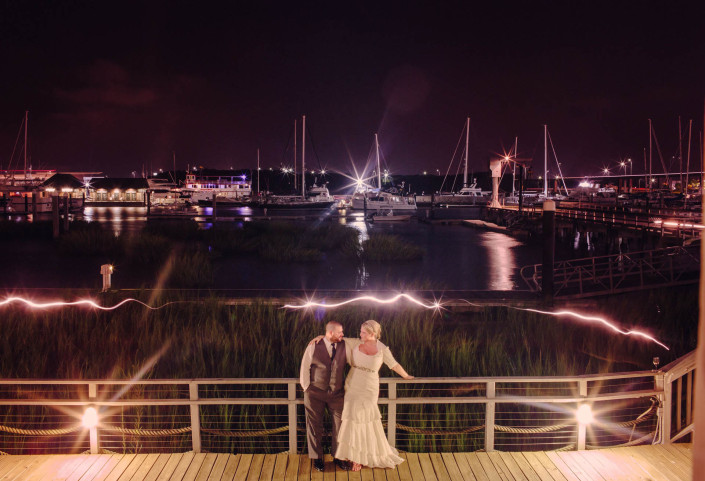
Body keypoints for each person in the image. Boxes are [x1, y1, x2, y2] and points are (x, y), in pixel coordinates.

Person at [311, 320, 413, 471]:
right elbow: (336, 338)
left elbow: (394, 364)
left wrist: (406, 376)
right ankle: (354, 457)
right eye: (360, 332)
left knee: (366, 420)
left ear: (372, 334)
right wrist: (322, 335)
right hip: (353, 385)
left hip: (370, 386)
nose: (360, 334)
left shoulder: (382, 348)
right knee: (352, 420)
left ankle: (365, 455)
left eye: (363, 332)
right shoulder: (354, 343)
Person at [299, 321, 350, 472]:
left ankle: (338, 457)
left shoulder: (344, 345)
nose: (342, 334)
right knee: (314, 427)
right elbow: (305, 366)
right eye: (339, 332)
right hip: (314, 393)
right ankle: (317, 458)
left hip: (337, 394)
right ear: (330, 333)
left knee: (340, 426)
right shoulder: (313, 345)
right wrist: (306, 387)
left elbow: (361, 342)